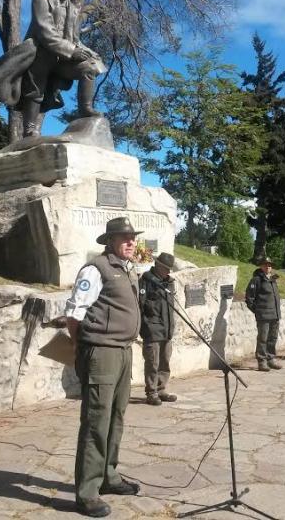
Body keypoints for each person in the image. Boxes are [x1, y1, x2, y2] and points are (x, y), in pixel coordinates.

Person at [65, 217, 143, 517]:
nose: (130, 242)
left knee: (116, 418)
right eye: (124, 237)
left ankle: (109, 476)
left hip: (123, 352)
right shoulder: (95, 269)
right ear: (109, 241)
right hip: (101, 352)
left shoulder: (127, 269)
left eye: (132, 237)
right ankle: (86, 492)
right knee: (96, 421)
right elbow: (74, 313)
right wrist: (80, 345)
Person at [0, 0, 107, 137]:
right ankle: (30, 129)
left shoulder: (74, 10)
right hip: (41, 54)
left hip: (62, 59)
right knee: (35, 90)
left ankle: (85, 109)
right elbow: (45, 32)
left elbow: (75, 39)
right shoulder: (41, 0)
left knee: (90, 67)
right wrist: (71, 51)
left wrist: (88, 52)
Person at [139, 252, 177, 405]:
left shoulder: (169, 283)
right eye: (166, 268)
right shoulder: (146, 280)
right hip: (152, 330)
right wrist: (145, 326)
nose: (168, 271)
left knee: (165, 362)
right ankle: (151, 392)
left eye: (170, 269)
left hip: (167, 330)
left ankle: (161, 389)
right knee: (152, 363)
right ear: (158, 265)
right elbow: (141, 305)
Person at [245, 256, 283, 371]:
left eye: (270, 265)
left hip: (275, 315)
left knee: (273, 338)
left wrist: (277, 313)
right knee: (263, 338)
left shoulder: (272, 280)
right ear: (261, 266)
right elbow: (249, 299)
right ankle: (262, 361)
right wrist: (258, 311)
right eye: (266, 265)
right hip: (263, 316)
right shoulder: (256, 280)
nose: (268, 267)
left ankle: (270, 359)